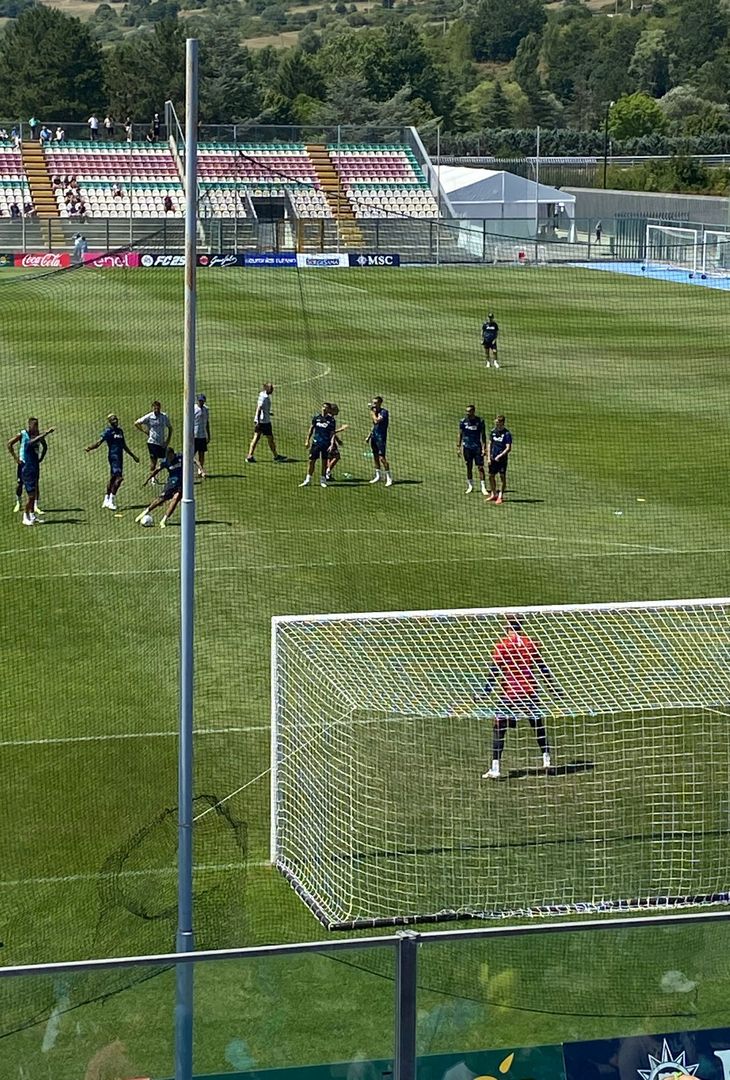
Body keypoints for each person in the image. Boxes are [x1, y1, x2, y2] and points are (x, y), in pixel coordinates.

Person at [480, 617, 560, 780]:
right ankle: (547, 761)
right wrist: (553, 689)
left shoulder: (502, 646)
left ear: (507, 626)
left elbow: (494, 671)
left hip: (510, 694)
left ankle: (495, 768)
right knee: (537, 725)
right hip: (530, 692)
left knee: (499, 729)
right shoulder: (531, 643)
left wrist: (484, 692)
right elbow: (542, 668)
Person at [85, 413, 139, 510]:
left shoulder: (120, 431)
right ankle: (111, 501)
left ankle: (106, 499)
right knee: (119, 478)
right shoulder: (108, 431)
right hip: (113, 457)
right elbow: (99, 442)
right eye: (113, 419)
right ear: (109, 421)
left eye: (116, 419)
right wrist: (90, 448)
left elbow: (124, 445)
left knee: (113, 478)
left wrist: (133, 456)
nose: (115, 421)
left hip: (120, 457)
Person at [8, 418, 54, 526]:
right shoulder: (27, 442)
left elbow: (43, 445)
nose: (36, 428)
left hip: (34, 468)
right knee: (30, 494)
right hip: (26, 469)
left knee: (33, 492)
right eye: (35, 426)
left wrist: (41, 458)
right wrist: (47, 432)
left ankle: (32, 516)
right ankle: (25, 515)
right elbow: (30, 441)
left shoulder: (35, 438)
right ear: (30, 426)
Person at [135, 446, 182, 528]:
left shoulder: (180, 457)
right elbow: (156, 470)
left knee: (176, 499)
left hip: (182, 484)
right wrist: (148, 479)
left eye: (169, 456)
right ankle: (144, 512)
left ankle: (164, 520)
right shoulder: (165, 462)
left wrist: (201, 470)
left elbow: (194, 460)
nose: (168, 458)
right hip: (171, 483)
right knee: (161, 499)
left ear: (172, 454)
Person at [300, 403, 337, 488]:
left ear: (329, 410)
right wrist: (307, 440)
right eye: (323, 407)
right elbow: (311, 429)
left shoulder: (331, 421)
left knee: (324, 462)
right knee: (311, 461)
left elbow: (332, 434)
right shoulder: (316, 418)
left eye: (326, 408)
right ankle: (308, 479)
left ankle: (323, 480)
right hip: (316, 443)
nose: (324, 409)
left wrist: (331, 444)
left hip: (325, 444)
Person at [247, 382, 284, 463]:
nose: (272, 390)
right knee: (270, 439)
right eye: (271, 388)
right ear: (268, 389)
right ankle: (276, 456)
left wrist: (266, 413)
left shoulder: (261, 394)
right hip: (264, 423)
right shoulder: (265, 397)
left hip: (261, 421)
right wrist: (258, 422)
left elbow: (261, 408)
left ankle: (250, 455)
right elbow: (259, 408)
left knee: (256, 438)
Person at [135, 401, 172, 479]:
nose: (156, 410)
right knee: (153, 461)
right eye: (155, 408)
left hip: (162, 443)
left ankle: (170, 475)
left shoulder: (164, 416)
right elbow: (137, 423)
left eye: (158, 408)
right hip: (152, 442)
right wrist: (145, 431)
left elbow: (170, 428)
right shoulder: (149, 416)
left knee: (165, 460)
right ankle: (152, 478)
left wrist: (167, 440)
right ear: (152, 408)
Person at [457, 405, 488, 496]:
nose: (467, 413)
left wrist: (484, 447)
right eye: (466, 411)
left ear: (473, 411)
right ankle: (470, 486)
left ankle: (483, 487)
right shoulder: (463, 421)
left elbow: (483, 435)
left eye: (469, 411)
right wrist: (458, 447)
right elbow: (460, 434)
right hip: (467, 447)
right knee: (468, 466)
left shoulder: (480, 421)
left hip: (477, 447)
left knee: (480, 467)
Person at [367, 396, 392, 486]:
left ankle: (389, 477)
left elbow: (377, 421)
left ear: (380, 403)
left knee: (382, 458)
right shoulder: (376, 412)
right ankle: (378, 475)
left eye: (375, 403)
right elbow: (374, 425)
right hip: (374, 437)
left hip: (381, 438)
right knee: (375, 456)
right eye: (373, 403)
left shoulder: (384, 412)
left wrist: (372, 413)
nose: (373, 404)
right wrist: (369, 436)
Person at [487, 415, 512, 504]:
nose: (496, 424)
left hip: (502, 460)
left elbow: (508, 448)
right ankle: (494, 494)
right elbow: (490, 444)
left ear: (502, 423)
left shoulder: (507, 434)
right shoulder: (493, 432)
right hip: (493, 458)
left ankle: (500, 496)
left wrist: (500, 456)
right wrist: (489, 456)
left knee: (502, 477)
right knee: (491, 476)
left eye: (497, 422)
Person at [193, 393, 210, 478]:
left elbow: (207, 422)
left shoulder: (206, 410)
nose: (201, 402)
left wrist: (208, 434)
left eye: (202, 401)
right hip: (194, 435)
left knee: (202, 454)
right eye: (200, 401)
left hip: (202, 435)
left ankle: (200, 470)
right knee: (191, 454)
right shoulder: (193, 409)